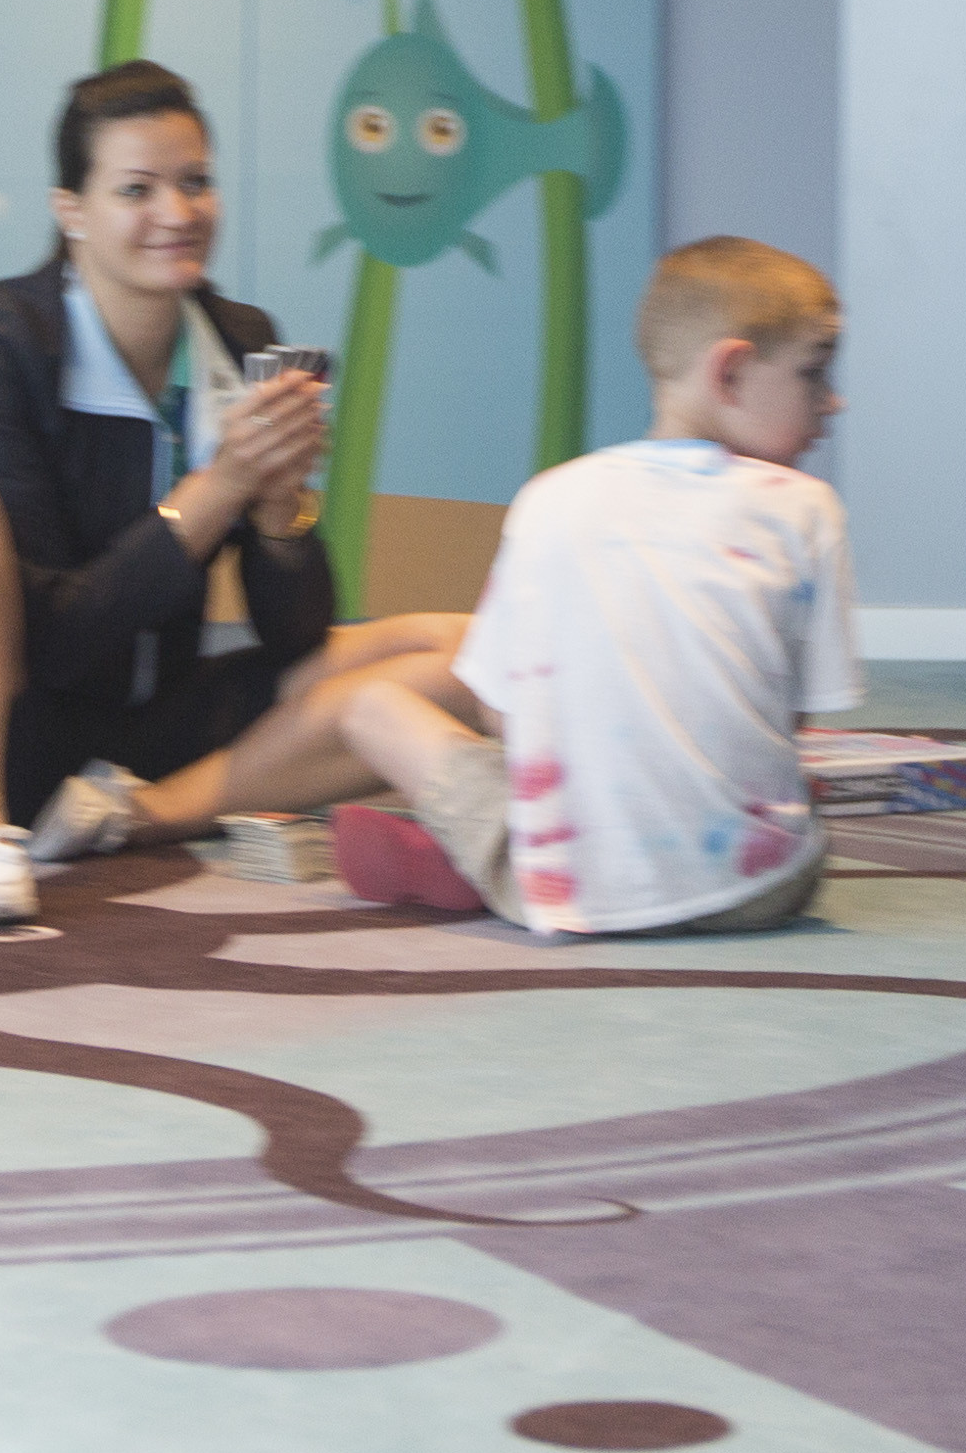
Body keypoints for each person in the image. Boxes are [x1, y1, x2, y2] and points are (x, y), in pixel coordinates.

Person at [0, 60, 488, 931]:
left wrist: (279, 508)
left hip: (132, 742)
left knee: (467, 652)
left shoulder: (241, 342)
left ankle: (140, 818)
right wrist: (219, 490)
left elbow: (292, 635)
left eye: (196, 183)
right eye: (137, 190)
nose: (177, 215)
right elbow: (50, 643)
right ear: (72, 212)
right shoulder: (1, 347)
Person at [325, 237, 862, 938]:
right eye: (813, 376)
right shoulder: (807, 508)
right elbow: (790, 723)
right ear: (729, 372)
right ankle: (471, 860)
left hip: (567, 889)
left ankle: (469, 858)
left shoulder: (549, 498)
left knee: (371, 707)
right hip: (762, 884)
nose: (833, 403)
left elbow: (504, 717)